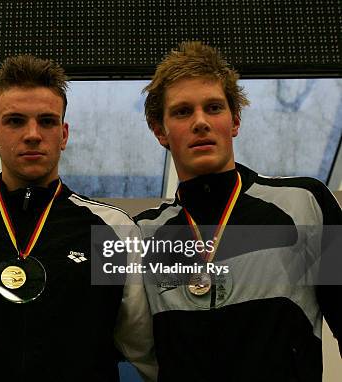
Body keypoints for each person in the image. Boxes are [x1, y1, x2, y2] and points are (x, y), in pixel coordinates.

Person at [0, 55, 156, 381]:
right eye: (15, 121)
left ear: (64, 134)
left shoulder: (111, 231)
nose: (33, 134)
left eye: (47, 121)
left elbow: (142, 345)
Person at [135, 41, 341, 381]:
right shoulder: (140, 235)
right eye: (183, 112)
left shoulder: (306, 202)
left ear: (235, 121)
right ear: (160, 132)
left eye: (214, 108)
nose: (200, 122)